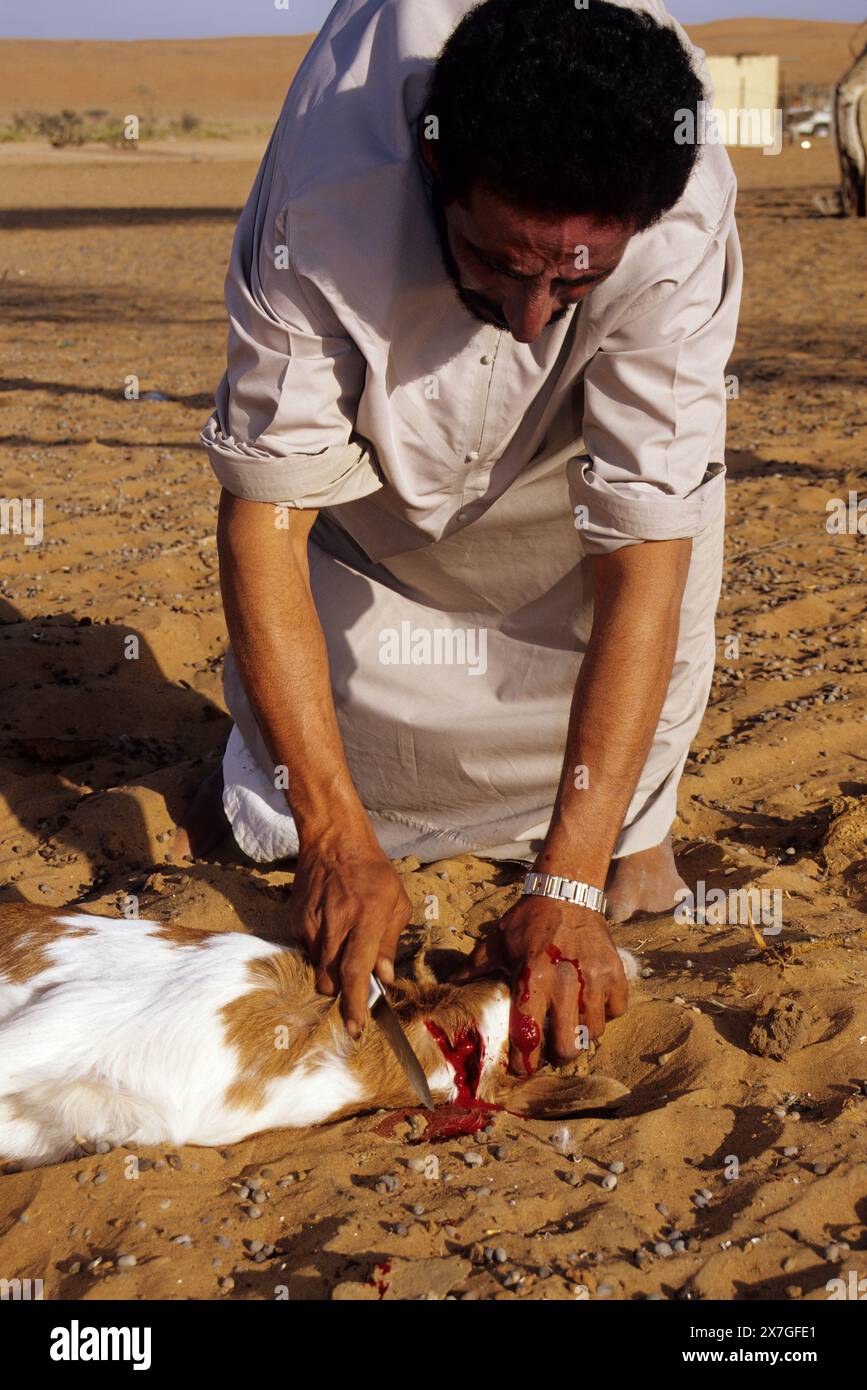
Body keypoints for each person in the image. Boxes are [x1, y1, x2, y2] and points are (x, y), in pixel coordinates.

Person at [177, 0, 742, 1073]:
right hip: (374, 496)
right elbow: (265, 518)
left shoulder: (679, 210)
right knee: (305, 819)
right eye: (495, 260)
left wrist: (569, 880)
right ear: (435, 171)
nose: (532, 319)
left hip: (567, 480)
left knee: (673, 515)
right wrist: (339, 840)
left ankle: (628, 837)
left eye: (573, 281)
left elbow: (645, 549)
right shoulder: (330, 192)